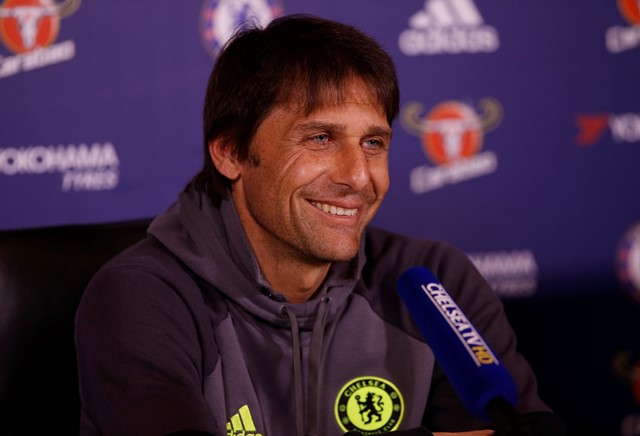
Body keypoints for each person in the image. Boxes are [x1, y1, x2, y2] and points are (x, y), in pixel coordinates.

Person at [75, 14, 565, 436]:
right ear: (230, 152)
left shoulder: (434, 280)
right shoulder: (143, 297)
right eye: (320, 138)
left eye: (373, 143)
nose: (357, 176)